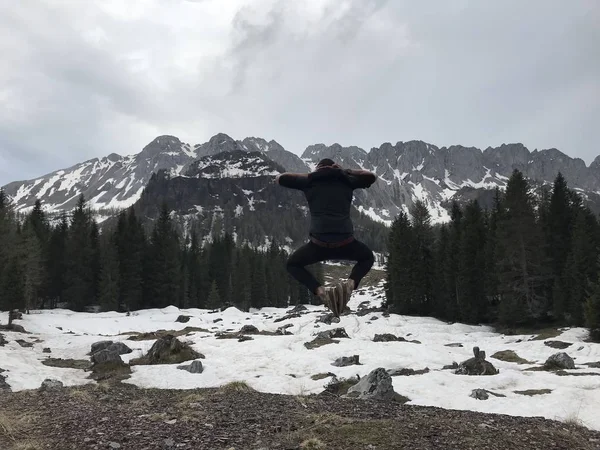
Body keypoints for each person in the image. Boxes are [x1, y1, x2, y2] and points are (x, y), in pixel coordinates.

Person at [275, 158, 377, 316]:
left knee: (293, 264)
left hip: (319, 245)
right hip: (346, 242)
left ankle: (320, 290)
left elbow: (280, 178)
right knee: (367, 257)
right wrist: (346, 171)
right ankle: (350, 284)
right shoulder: (347, 180)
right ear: (334, 167)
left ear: (318, 168)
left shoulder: (309, 181)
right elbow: (371, 176)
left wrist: (311, 175)